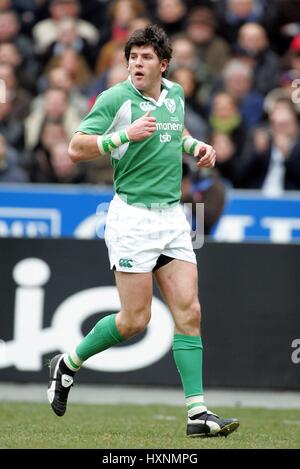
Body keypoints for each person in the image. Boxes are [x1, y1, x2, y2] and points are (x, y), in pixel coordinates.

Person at [47, 25, 239, 438]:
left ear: (163, 64)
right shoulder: (116, 98)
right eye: (133, 56)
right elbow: (75, 147)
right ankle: (68, 363)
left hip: (172, 217)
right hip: (132, 218)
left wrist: (196, 148)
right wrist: (122, 135)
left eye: (146, 57)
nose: (137, 62)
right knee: (136, 320)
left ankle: (197, 414)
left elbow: (177, 133)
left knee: (190, 310)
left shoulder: (176, 95)